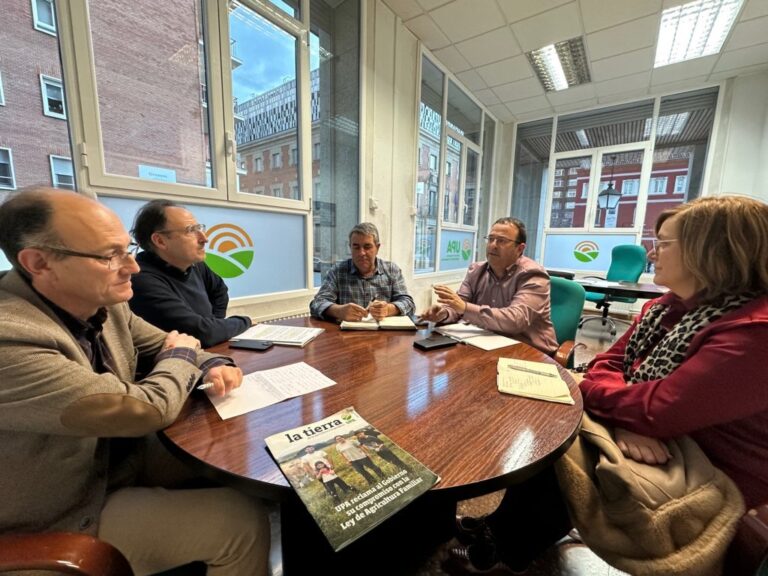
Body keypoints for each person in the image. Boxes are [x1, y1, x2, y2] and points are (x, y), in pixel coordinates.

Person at [449, 196, 768, 574]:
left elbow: (658, 409)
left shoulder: (755, 330)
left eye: (664, 243)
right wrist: (631, 414)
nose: (651, 254)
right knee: (553, 425)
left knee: (557, 439)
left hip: (709, 469)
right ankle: (502, 531)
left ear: (713, 251)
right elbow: (606, 364)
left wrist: (611, 402)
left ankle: (504, 553)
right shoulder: (665, 306)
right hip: (652, 432)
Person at [0, 188, 270, 576]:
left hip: (113, 460)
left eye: (126, 249)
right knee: (240, 523)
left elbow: (176, 344)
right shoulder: (10, 337)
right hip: (61, 510)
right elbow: (146, 408)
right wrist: (182, 355)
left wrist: (211, 363)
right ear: (39, 262)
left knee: (239, 455)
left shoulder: (104, 305)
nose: (134, 267)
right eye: (111, 255)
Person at [421, 217, 558, 355]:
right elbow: (458, 307)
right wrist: (443, 313)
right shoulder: (476, 270)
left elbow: (515, 320)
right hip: (487, 345)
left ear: (520, 248)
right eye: (491, 239)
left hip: (530, 351)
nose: (493, 245)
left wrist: (464, 307)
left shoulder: (533, 275)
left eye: (502, 241)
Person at [129, 199, 251, 347]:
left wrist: (214, 325)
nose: (204, 239)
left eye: (200, 228)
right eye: (191, 231)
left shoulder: (196, 265)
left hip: (205, 352)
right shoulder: (141, 280)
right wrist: (245, 321)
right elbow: (200, 333)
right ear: (160, 241)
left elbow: (219, 292)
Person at [310, 222, 415, 322]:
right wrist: (339, 311)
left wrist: (388, 309)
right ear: (350, 248)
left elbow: (408, 303)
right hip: (346, 337)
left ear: (377, 248)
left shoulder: (392, 270)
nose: (361, 253)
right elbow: (317, 303)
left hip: (384, 336)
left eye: (367, 247)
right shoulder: (337, 271)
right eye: (356, 247)